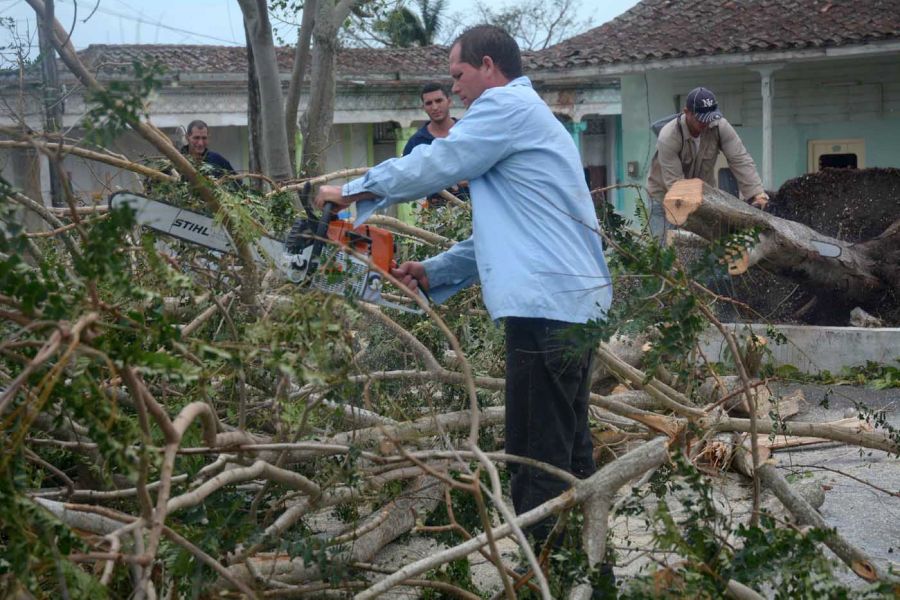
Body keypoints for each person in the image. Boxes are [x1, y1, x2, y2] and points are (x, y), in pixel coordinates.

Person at [315, 25, 612, 554]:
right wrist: (436, 271)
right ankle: (589, 575)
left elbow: (438, 161)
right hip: (571, 307)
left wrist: (355, 190)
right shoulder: (529, 122)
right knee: (569, 456)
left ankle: (542, 575)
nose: (455, 92)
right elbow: (507, 236)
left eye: (458, 76)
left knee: (535, 464)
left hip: (545, 314)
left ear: (489, 66)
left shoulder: (505, 108)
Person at [646, 87, 768, 238]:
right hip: (665, 197)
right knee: (666, 250)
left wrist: (756, 193)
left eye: (710, 117)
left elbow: (740, 159)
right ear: (687, 112)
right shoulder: (669, 136)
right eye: (700, 118)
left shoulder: (720, 126)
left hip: (703, 197)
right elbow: (676, 186)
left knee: (707, 249)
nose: (706, 123)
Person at [403, 82, 469, 207]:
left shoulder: (468, 132)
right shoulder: (416, 142)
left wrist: (472, 179)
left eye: (439, 101)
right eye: (429, 103)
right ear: (423, 107)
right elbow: (406, 179)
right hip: (437, 216)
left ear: (449, 101)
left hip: (474, 209)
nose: (434, 107)